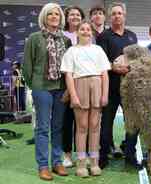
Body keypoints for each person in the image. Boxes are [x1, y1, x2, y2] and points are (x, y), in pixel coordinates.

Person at [23, 3, 71, 181]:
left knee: (58, 127)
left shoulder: (65, 40)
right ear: (44, 17)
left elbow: (68, 67)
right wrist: (34, 85)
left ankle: (57, 162)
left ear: (60, 18)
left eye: (56, 14)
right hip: (41, 87)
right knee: (43, 128)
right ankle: (43, 166)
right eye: (49, 14)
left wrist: (67, 89)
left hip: (60, 89)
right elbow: (27, 66)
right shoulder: (34, 38)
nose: (53, 17)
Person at [61, 21, 110, 177]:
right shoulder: (71, 51)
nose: (85, 31)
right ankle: (81, 163)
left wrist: (104, 94)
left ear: (92, 33)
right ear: (77, 32)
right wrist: (73, 95)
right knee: (82, 126)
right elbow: (68, 74)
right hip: (79, 84)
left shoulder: (98, 50)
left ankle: (94, 162)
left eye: (88, 29)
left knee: (95, 125)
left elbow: (104, 74)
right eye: (82, 29)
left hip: (97, 85)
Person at [96, 2, 138, 169]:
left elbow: (135, 59)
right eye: (113, 13)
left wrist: (129, 68)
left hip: (129, 89)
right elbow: (102, 60)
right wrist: (114, 68)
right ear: (109, 17)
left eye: (119, 13)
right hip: (110, 88)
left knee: (132, 124)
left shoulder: (132, 36)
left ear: (124, 15)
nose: (117, 16)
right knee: (106, 124)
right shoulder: (104, 36)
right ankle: (103, 155)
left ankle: (130, 154)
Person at [61, 5, 85, 168]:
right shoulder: (61, 35)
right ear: (66, 17)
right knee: (67, 121)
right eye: (71, 14)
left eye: (78, 14)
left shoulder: (87, 34)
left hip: (84, 83)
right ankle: (67, 155)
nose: (75, 17)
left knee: (82, 123)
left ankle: (81, 154)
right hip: (65, 83)